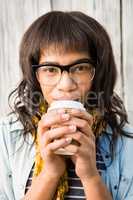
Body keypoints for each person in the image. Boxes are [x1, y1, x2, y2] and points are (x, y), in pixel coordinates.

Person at [0, 10, 133, 200]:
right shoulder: (7, 137)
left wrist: (90, 176)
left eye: (80, 68)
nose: (66, 85)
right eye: (50, 69)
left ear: (98, 72)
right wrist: (49, 173)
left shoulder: (125, 144)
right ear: (35, 75)